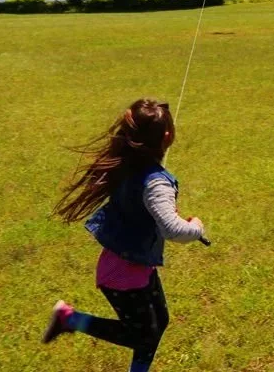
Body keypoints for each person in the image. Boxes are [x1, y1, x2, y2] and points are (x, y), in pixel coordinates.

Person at [41, 98, 206, 372]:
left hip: (133, 266)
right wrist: (197, 226)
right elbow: (173, 230)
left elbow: (145, 210)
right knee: (141, 335)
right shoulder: (155, 182)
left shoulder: (130, 164)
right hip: (124, 276)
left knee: (159, 322)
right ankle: (69, 319)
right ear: (167, 136)